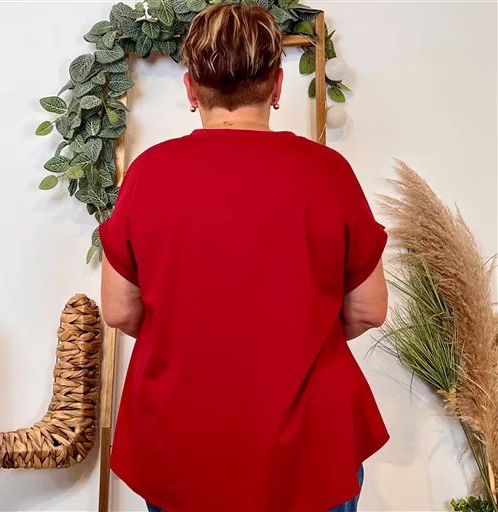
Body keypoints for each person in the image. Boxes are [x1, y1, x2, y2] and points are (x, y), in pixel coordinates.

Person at [99, 4, 389, 512]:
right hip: (311, 446)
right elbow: (368, 309)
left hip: (181, 441)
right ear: (277, 86)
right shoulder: (328, 172)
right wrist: (296, 335)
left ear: (192, 90)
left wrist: (194, 336)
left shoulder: (148, 174)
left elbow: (120, 311)